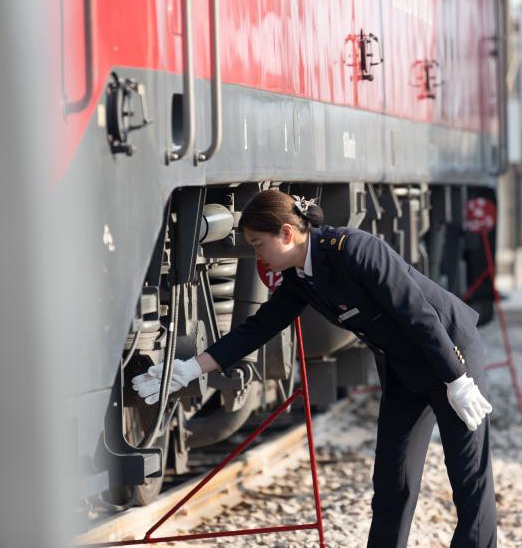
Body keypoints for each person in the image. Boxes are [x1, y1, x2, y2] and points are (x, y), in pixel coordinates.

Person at [131, 189, 498, 547]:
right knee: (393, 479)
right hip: (403, 366)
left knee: (468, 475)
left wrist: (458, 380)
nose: (258, 255)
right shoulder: (299, 279)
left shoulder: (355, 249)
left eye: (258, 244)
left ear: (286, 233)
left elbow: (417, 314)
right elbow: (256, 329)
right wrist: (190, 369)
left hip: (450, 351)